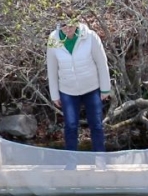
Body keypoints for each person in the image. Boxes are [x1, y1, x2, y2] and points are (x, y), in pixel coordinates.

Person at [46, 14, 112, 152]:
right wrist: (54, 95)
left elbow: (101, 63)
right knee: (70, 125)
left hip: (91, 88)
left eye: (71, 25)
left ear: (77, 22)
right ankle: (71, 164)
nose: (68, 29)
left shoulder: (90, 36)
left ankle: (100, 161)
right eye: (64, 26)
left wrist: (105, 89)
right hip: (67, 90)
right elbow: (52, 68)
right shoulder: (53, 39)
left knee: (96, 125)